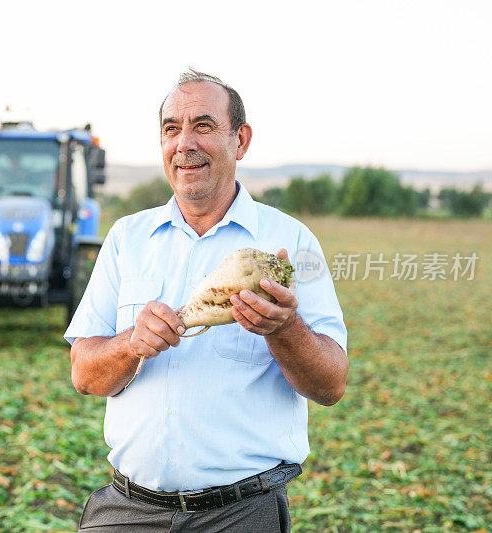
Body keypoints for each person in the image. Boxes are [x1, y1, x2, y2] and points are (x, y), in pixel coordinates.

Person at [64, 69, 348, 532]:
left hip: (239, 514)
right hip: (127, 510)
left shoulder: (290, 242)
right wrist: (131, 344)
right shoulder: (127, 238)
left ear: (241, 140)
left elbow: (331, 384)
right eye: (171, 129)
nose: (184, 143)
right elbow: (83, 372)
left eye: (203, 125)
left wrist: (284, 329)